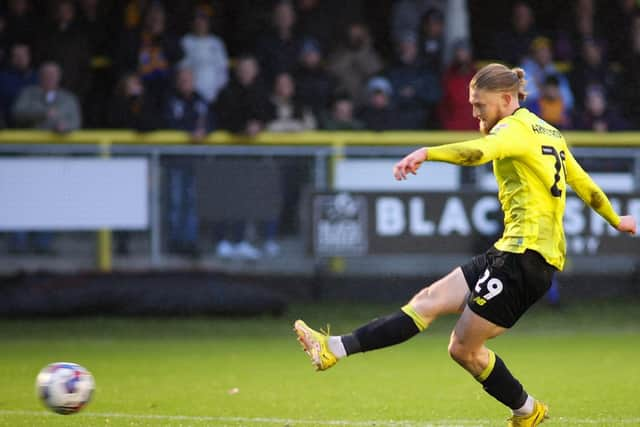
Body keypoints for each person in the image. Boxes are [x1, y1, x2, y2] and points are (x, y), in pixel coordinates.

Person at [294, 63, 637, 427]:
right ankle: (334, 349)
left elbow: (479, 153)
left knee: (463, 348)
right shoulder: (548, 131)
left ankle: (528, 410)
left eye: (481, 105)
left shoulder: (511, 129)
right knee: (426, 301)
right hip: (510, 252)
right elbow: (584, 184)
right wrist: (616, 219)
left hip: (524, 261)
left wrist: (427, 152)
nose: (475, 113)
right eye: (472, 104)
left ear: (506, 100)